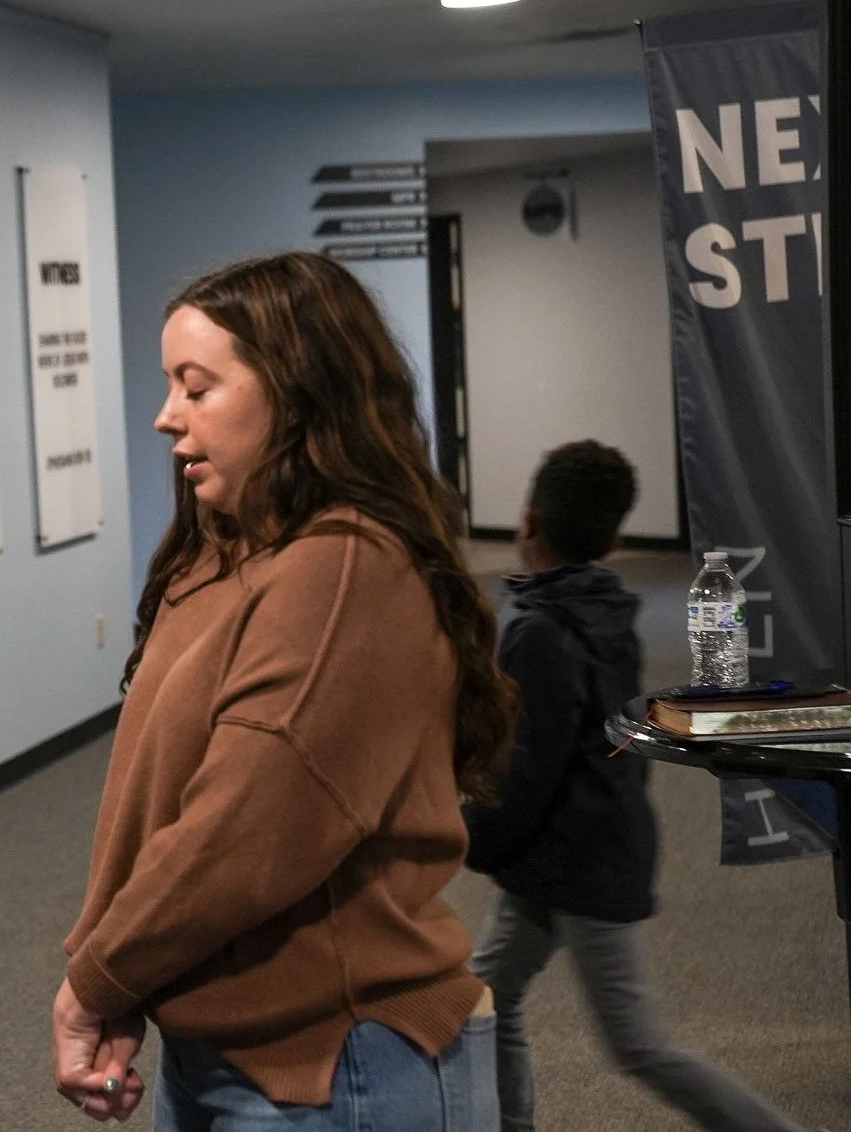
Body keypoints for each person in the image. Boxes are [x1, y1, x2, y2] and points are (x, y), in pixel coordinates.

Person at [54, 251, 512, 1130]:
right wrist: (117, 977)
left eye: (197, 387)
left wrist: (95, 981)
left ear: (298, 393)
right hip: (216, 1043)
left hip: (341, 1064)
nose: (164, 417)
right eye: (169, 386)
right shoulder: (223, 549)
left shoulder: (341, 567)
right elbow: (158, 807)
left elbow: (244, 829)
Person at [466, 441, 810, 1132]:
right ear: (617, 537)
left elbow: (530, 770)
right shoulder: (607, 613)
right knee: (487, 993)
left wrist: (471, 836)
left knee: (639, 1044)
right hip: (569, 853)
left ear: (526, 521)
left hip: (580, 862)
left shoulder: (541, 634)